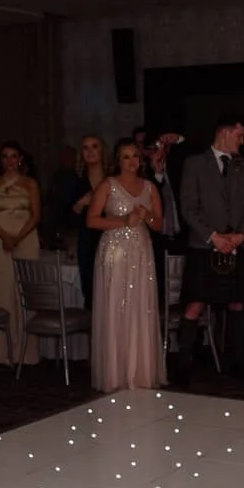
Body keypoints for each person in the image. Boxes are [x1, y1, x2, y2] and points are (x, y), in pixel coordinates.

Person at [177, 113, 244, 381]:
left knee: (237, 303)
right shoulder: (194, 164)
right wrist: (213, 236)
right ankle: (183, 364)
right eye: (239, 135)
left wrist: (241, 236)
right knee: (195, 303)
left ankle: (237, 363)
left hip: (236, 246)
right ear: (225, 133)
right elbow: (188, 207)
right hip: (204, 246)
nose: (243, 141)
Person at [87, 139, 164, 392]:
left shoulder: (150, 187)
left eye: (135, 156)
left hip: (141, 253)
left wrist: (146, 215)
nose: (132, 161)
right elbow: (92, 220)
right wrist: (123, 221)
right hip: (115, 251)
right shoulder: (108, 185)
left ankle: (140, 371)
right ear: (118, 161)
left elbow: (159, 225)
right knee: (116, 307)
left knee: (140, 307)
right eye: (126, 157)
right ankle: (116, 372)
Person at [0, 141, 42, 365]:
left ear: (20, 159)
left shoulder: (30, 183)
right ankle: (4, 352)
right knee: (2, 292)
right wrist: (5, 236)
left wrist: (17, 238)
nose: (9, 161)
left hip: (26, 238)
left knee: (24, 293)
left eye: (13, 156)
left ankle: (26, 352)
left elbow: (36, 215)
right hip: (0, 240)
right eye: (5, 156)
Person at [66, 135, 109, 308]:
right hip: (88, 241)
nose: (90, 151)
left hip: (112, 238)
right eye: (86, 148)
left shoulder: (113, 178)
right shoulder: (75, 180)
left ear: (102, 150)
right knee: (92, 292)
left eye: (94, 146)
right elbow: (67, 218)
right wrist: (81, 204)